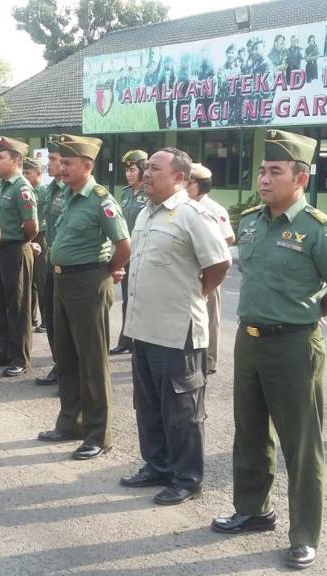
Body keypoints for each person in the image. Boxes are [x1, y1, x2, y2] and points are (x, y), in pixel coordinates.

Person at [211, 129, 327, 571]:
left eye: (275, 171)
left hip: (294, 345)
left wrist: (307, 314)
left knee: (300, 443)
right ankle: (253, 510)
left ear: (301, 176)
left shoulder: (318, 229)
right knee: (251, 432)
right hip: (249, 339)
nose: (263, 178)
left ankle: (304, 535)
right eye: (262, 170)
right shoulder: (252, 221)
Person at [120, 147, 231, 505]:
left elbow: (219, 264)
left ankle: (187, 478)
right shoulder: (145, 213)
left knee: (183, 410)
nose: (146, 173)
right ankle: (157, 465)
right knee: (149, 403)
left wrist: (194, 294)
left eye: (154, 168)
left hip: (178, 329)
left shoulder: (192, 215)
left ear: (180, 178)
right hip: (143, 327)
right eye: (146, 168)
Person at [37, 134, 130, 461]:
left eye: (68, 163)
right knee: (66, 356)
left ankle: (97, 433)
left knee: (91, 360)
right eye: (60, 162)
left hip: (89, 281)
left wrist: (107, 271)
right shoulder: (65, 195)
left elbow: (123, 246)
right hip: (62, 280)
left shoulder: (100, 200)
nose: (61, 168)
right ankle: (69, 422)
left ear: (87, 166)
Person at [0, 136, 39, 377]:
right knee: (0, 304)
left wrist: (21, 243)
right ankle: (4, 350)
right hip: (0, 250)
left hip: (15, 249)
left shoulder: (21, 188)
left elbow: (32, 226)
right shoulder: (3, 186)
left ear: (16, 160)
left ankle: (20, 356)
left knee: (17, 306)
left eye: (1, 157)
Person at [186, 163, 235, 375]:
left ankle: (209, 360)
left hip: (209, 270)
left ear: (199, 185)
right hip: (187, 271)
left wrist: (209, 253)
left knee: (210, 316)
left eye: (188, 182)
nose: (184, 186)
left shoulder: (214, 209)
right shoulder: (183, 206)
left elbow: (229, 237)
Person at [110, 149, 148, 356]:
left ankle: (142, 342)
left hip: (143, 254)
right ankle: (126, 340)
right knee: (128, 298)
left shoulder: (150, 193)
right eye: (127, 171)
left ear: (143, 170)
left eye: (133, 170)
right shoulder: (125, 193)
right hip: (128, 254)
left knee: (143, 299)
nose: (129, 174)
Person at [35, 136, 66, 386]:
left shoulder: (72, 191)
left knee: (68, 323)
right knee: (53, 319)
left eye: (54, 159)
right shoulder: (50, 190)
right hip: (51, 258)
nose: (50, 164)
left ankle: (69, 370)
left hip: (69, 265)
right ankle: (59, 363)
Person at [22, 156, 45, 332]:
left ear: (38, 173)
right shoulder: (24, 190)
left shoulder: (43, 192)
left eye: (27, 172)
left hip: (41, 236)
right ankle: (30, 316)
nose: (24, 175)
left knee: (41, 279)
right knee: (29, 280)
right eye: (22, 172)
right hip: (27, 236)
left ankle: (46, 319)